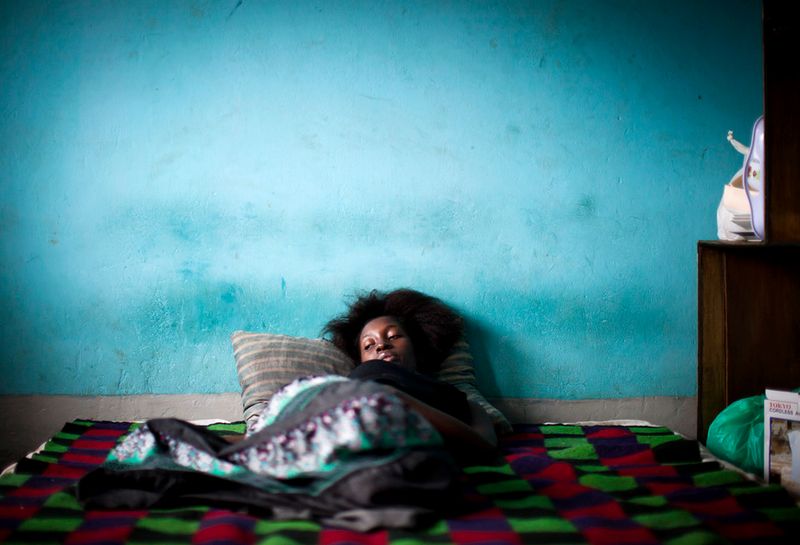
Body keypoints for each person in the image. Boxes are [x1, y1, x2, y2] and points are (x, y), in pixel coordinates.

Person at [323, 288, 497, 460]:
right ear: (360, 362)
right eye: (369, 345)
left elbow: (487, 446)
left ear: (417, 348)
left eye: (393, 336)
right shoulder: (355, 382)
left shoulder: (459, 401)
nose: (381, 345)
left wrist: (398, 400)